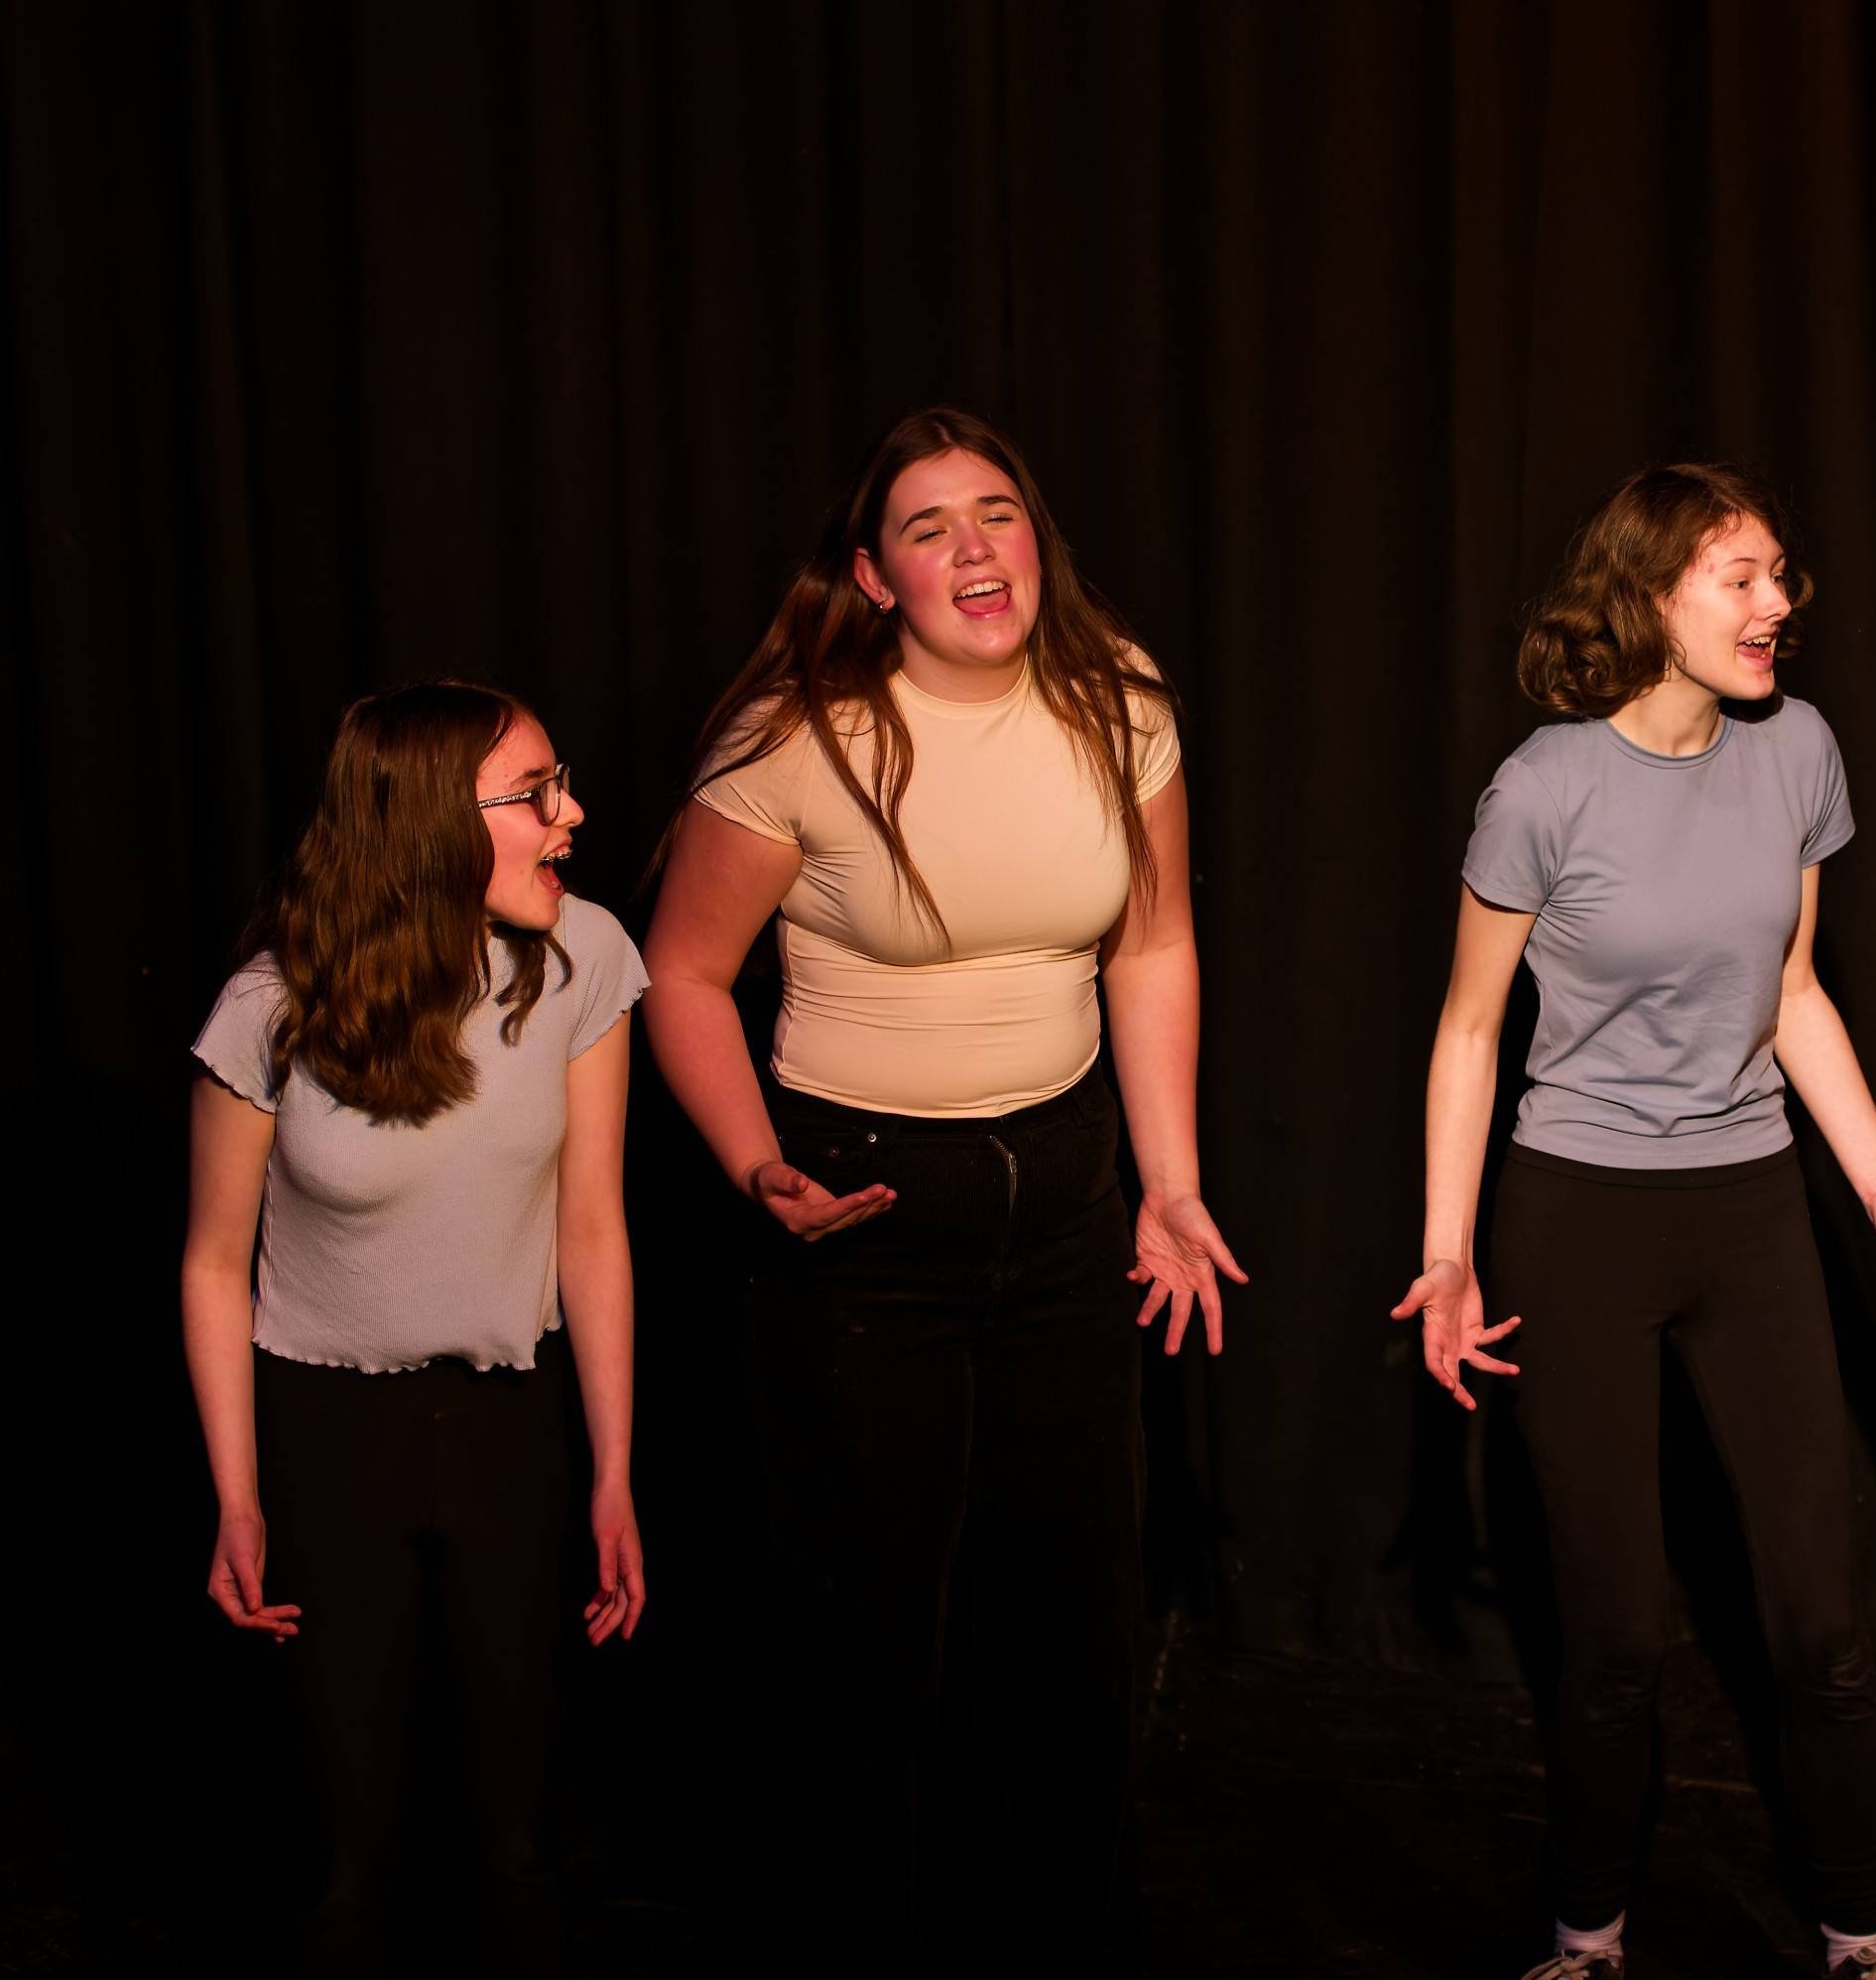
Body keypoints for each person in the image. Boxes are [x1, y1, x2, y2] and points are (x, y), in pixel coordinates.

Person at [1392, 464, 1876, 1980]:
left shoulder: (1797, 751)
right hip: (1576, 1217)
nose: (1778, 606)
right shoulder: (1544, 787)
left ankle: (1860, 1940)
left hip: (1747, 1214)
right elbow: (1471, 1031)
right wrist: (1450, 1251)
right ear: (1648, 595)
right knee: (1610, 1645)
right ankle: (1588, 1938)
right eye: (1739, 578)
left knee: (1821, 1631)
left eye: (1781, 576)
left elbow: (1794, 997)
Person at [640, 407, 1241, 1946]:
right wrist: (758, 1169)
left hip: (1065, 1200)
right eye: (930, 528)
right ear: (873, 573)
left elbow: (1152, 942)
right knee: (868, 1633)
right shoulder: (800, 743)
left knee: (1070, 1624)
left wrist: (1169, 1183)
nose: (976, 549)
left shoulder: (1124, 706)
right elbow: (687, 975)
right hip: (864, 1212)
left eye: (997, 513)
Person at [183, 681, 648, 1974]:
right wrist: (237, 1499)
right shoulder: (272, 1004)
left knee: (517, 1833)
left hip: (508, 1418)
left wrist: (613, 1473)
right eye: (536, 793)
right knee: (346, 1854)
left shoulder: (585, 956)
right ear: (425, 825)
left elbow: (594, 1228)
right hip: (327, 1429)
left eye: (562, 784)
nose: (573, 815)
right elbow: (216, 1264)